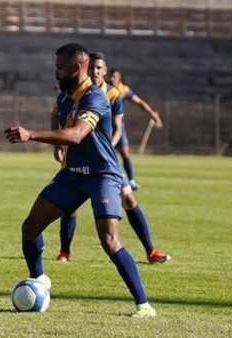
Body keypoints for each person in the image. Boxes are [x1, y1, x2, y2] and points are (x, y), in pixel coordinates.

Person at [5, 43, 156, 317]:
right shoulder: (64, 97)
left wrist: (32, 134)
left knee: (109, 241)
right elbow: (59, 119)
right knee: (30, 227)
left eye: (60, 68)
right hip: (73, 174)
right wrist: (55, 142)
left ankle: (143, 305)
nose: (56, 72)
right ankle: (39, 280)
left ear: (76, 68)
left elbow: (76, 135)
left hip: (102, 174)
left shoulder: (94, 97)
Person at [54, 52, 170, 264]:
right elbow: (56, 112)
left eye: (99, 68)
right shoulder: (74, 91)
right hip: (76, 157)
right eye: (92, 68)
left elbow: (118, 127)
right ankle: (64, 252)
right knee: (70, 207)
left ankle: (150, 251)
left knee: (129, 199)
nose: (95, 72)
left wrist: (111, 145)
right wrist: (56, 144)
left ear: (105, 71)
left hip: (105, 162)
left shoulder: (113, 94)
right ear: (85, 70)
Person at [108, 69, 163, 190]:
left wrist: (153, 115)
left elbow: (140, 102)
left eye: (114, 77)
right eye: (110, 77)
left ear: (119, 79)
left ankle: (131, 181)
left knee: (125, 153)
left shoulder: (124, 90)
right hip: (104, 127)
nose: (112, 79)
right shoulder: (103, 89)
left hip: (118, 126)